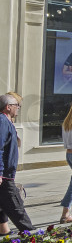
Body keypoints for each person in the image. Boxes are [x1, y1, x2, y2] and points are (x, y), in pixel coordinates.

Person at [0, 94, 34, 234]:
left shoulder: (7, 121)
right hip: (5, 176)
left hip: (7, 174)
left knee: (3, 204)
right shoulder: (2, 121)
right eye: (16, 106)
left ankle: (4, 232)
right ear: (8, 107)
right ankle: (32, 235)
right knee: (17, 208)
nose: (18, 108)